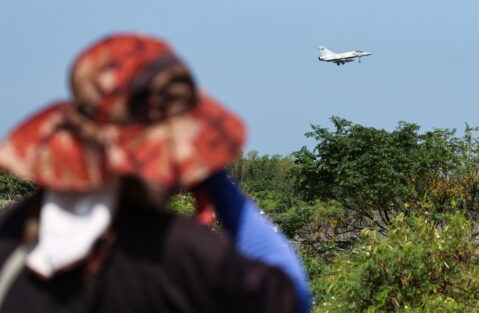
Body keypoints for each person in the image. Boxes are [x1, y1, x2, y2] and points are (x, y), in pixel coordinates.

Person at [0, 34, 311, 313]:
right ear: (173, 149)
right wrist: (215, 180)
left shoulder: (12, 230)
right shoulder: (183, 253)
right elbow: (293, 294)